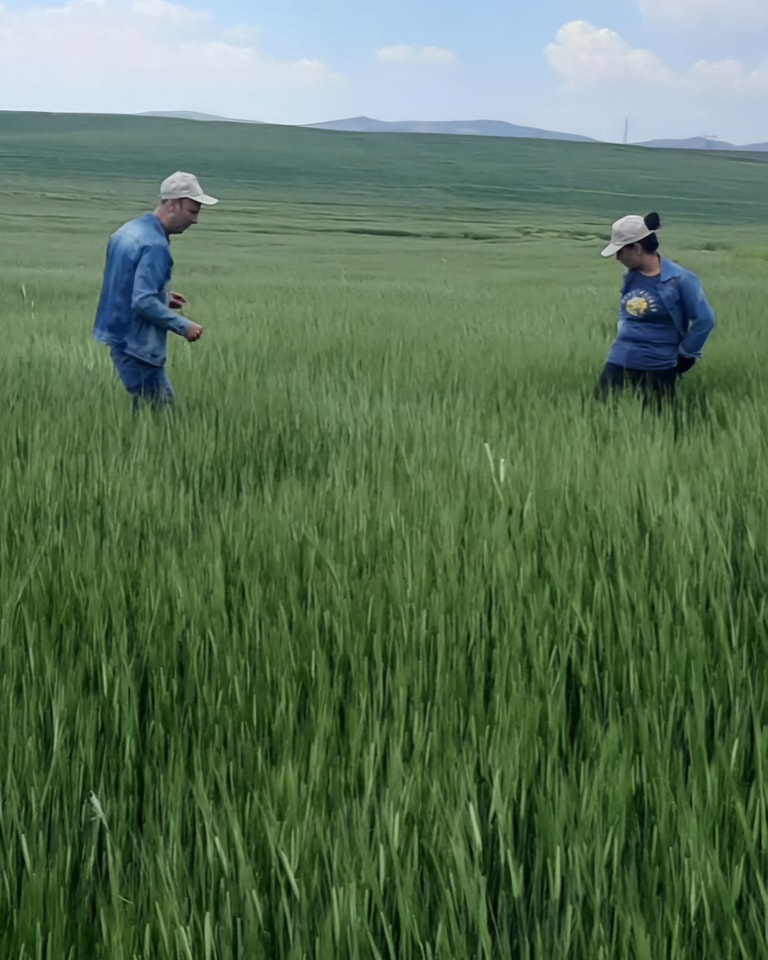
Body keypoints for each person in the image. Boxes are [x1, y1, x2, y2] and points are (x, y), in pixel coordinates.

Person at [93, 171, 218, 411]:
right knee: (161, 417)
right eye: (193, 211)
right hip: (139, 346)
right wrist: (184, 326)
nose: (195, 220)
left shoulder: (127, 231)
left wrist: (163, 297)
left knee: (149, 414)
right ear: (172, 204)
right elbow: (142, 301)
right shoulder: (155, 245)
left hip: (120, 337)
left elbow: (123, 282)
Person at [596, 212, 715, 408]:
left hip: (658, 365)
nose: (617, 258)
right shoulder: (630, 276)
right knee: (600, 413)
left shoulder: (680, 279)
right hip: (618, 360)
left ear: (636, 248)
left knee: (657, 423)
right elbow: (625, 310)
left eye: (620, 251)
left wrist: (686, 355)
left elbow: (705, 320)